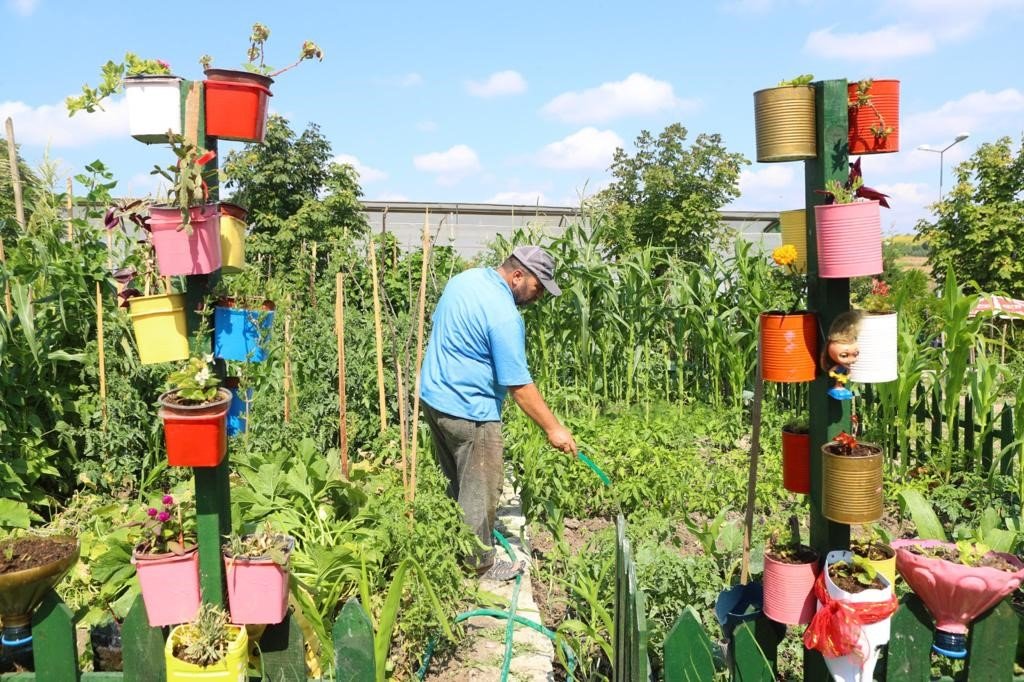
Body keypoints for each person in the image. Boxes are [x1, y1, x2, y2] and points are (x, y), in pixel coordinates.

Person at [420, 245, 578, 581]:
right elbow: (519, 385)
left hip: (435, 398)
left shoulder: (465, 280)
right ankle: (479, 565)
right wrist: (554, 429)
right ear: (518, 275)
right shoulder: (504, 314)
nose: (538, 297)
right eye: (537, 287)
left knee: (457, 482)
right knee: (481, 486)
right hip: (469, 409)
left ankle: (451, 548)